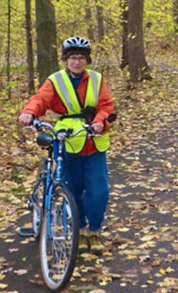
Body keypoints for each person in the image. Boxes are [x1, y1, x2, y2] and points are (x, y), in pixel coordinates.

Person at [18, 37, 115, 246]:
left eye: (81, 58)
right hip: (67, 141)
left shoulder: (97, 79)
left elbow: (106, 106)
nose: (77, 62)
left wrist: (99, 121)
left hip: (93, 140)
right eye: (72, 58)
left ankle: (94, 230)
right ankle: (79, 230)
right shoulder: (56, 80)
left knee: (99, 191)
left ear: (87, 60)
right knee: (72, 189)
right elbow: (41, 99)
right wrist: (29, 112)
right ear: (66, 60)